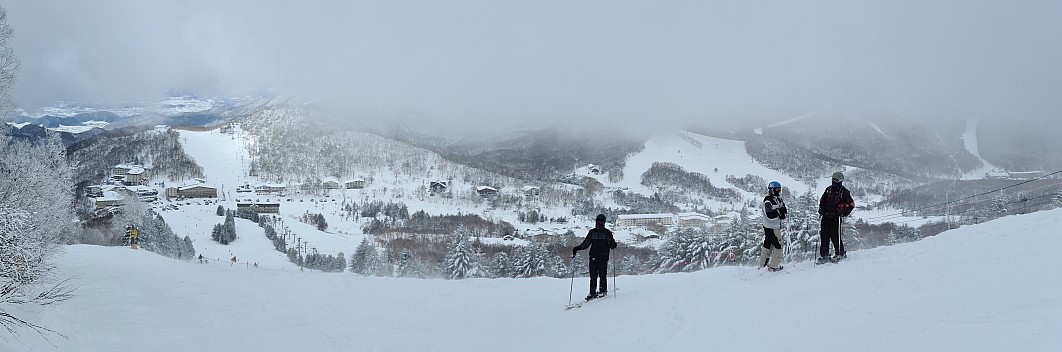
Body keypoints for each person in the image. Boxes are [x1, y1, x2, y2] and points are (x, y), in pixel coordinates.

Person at [572, 214, 617, 301]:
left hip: (603, 258)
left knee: (602, 275)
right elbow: (585, 244)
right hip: (593, 257)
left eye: (601, 222)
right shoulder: (592, 232)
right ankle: (592, 293)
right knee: (593, 276)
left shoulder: (607, 233)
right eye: (598, 221)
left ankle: (603, 291)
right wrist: (577, 248)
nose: (600, 223)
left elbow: (613, 245)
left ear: (604, 223)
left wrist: (612, 244)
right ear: (596, 222)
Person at [817, 171, 856, 264]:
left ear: (841, 181)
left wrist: (843, 213)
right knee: (824, 236)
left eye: (837, 180)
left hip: (836, 217)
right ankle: (824, 255)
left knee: (835, 236)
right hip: (826, 216)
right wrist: (821, 209)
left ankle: (840, 253)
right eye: (833, 179)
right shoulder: (828, 190)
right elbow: (822, 201)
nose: (834, 181)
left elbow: (851, 204)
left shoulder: (844, 191)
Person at [760, 181, 787, 272]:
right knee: (778, 245)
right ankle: (774, 266)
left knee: (768, 244)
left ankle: (762, 265)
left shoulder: (778, 199)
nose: (778, 191)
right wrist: (779, 212)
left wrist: (782, 213)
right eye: (776, 190)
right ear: (771, 190)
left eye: (779, 190)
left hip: (775, 226)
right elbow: (769, 215)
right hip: (771, 227)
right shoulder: (768, 201)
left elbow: (783, 212)